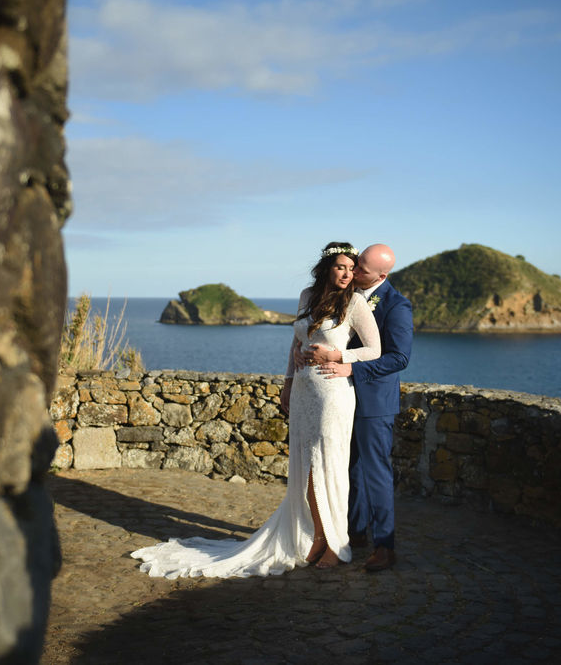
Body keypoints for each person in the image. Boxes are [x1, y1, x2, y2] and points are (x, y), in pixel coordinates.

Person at [130, 242, 381, 578]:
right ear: (326, 268)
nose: (347, 274)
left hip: (333, 393)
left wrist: (340, 357)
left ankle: (334, 543)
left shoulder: (356, 303)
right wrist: (289, 383)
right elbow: (296, 343)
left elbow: (375, 350)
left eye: (352, 269)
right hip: (305, 390)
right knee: (304, 464)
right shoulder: (308, 296)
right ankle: (315, 537)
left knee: (328, 466)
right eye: (341, 267)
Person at [305, 244, 413, 572]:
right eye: (354, 266)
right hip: (337, 397)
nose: (354, 273)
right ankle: (352, 533)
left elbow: (399, 358)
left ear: (383, 275)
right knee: (345, 467)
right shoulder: (343, 295)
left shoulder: (396, 305)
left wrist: (350, 367)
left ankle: (385, 546)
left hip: (374, 402)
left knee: (375, 471)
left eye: (362, 270)